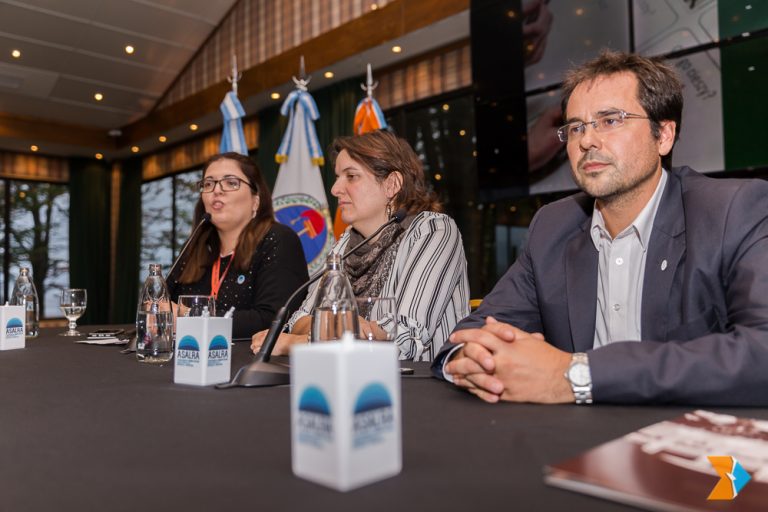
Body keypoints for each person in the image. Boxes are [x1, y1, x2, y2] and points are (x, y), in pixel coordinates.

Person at [433, 50, 768, 405]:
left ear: (664, 136)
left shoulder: (731, 210)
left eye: (610, 120)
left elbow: (761, 351)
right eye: (576, 127)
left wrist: (576, 374)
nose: (587, 141)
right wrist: (472, 359)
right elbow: (475, 331)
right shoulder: (553, 226)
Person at [251, 130, 470, 361]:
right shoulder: (346, 242)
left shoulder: (433, 230)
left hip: (419, 381)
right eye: (338, 177)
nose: (335, 189)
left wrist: (298, 343)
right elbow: (300, 319)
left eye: (351, 176)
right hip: (351, 374)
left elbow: (404, 337)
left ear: (392, 184)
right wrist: (341, 327)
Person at [168, 152, 309, 339]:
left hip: (247, 357)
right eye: (208, 184)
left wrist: (190, 316)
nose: (217, 190)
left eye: (231, 183)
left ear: (255, 200)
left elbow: (273, 319)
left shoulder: (278, 239)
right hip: (189, 351)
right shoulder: (195, 246)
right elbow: (165, 304)